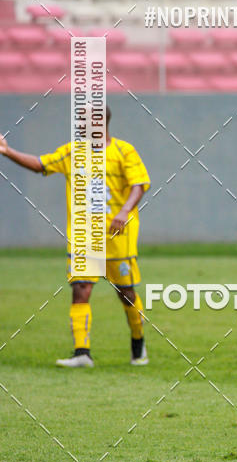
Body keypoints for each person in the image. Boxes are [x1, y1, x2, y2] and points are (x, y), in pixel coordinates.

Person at [0, 106, 151, 368]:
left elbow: (139, 185)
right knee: (81, 288)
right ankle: (82, 352)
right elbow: (41, 165)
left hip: (117, 234)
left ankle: (138, 342)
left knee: (125, 293)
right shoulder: (73, 152)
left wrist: (124, 211)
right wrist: (7, 151)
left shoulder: (124, 151)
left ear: (102, 122)